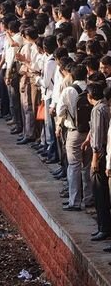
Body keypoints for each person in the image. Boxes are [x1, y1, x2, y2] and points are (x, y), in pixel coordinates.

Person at [56, 64, 93, 211]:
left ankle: (75, 201)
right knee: (87, 165)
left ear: (72, 76)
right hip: (90, 132)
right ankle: (89, 198)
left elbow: (60, 111)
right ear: (86, 75)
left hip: (74, 131)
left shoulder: (68, 91)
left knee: (74, 166)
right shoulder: (90, 89)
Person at [82, 82, 111, 240]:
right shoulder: (105, 107)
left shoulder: (97, 110)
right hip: (104, 151)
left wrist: (94, 158)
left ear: (90, 96)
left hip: (100, 154)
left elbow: (99, 136)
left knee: (100, 192)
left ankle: (103, 227)